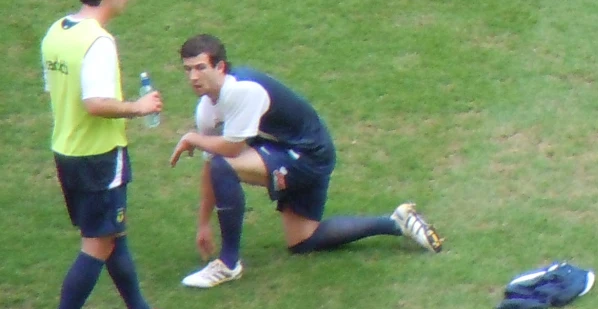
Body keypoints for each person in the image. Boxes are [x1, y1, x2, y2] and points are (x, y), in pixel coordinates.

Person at [168, 34, 441, 287]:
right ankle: (396, 222)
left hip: (309, 156)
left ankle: (228, 263)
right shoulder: (207, 109)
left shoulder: (241, 91)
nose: (193, 76)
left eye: (200, 67)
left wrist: (193, 138)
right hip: (294, 150)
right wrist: (203, 223)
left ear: (221, 67)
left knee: (224, 165)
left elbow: (230, 149)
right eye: (188, 69)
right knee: (303, 240)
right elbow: (211, 160)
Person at [38, 0, 164, 309]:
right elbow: (95, 103)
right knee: (98, 243)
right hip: (98, 157)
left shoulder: (57, 32)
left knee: (112, 234)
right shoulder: (98, 42)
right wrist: (139, 107)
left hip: (67, 150)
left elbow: (54, 88)